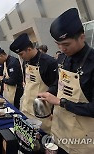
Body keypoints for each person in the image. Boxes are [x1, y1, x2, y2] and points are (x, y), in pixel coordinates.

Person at [38, 8, 94, 154]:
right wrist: (49, 93)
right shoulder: (63, 58)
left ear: (82, 37)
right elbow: (59, 83)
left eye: (66, 44)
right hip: (59, 131)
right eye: (58, 44)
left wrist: (60, 102)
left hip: (83, 139)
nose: (62, 49)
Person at [10, 33, 58, 134]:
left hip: (41, 113)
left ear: (29, 49)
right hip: (26, 108)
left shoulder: (48, 62)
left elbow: (56, 86)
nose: (21, 57)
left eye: (21, 54)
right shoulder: (26, 62)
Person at [0, 45, 24, 109]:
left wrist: (2, 79)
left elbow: (13, 81)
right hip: (8, 90)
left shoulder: (12, 63)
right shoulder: (6, 62)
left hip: (16, 91)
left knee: (14, 107)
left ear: (1, 56)